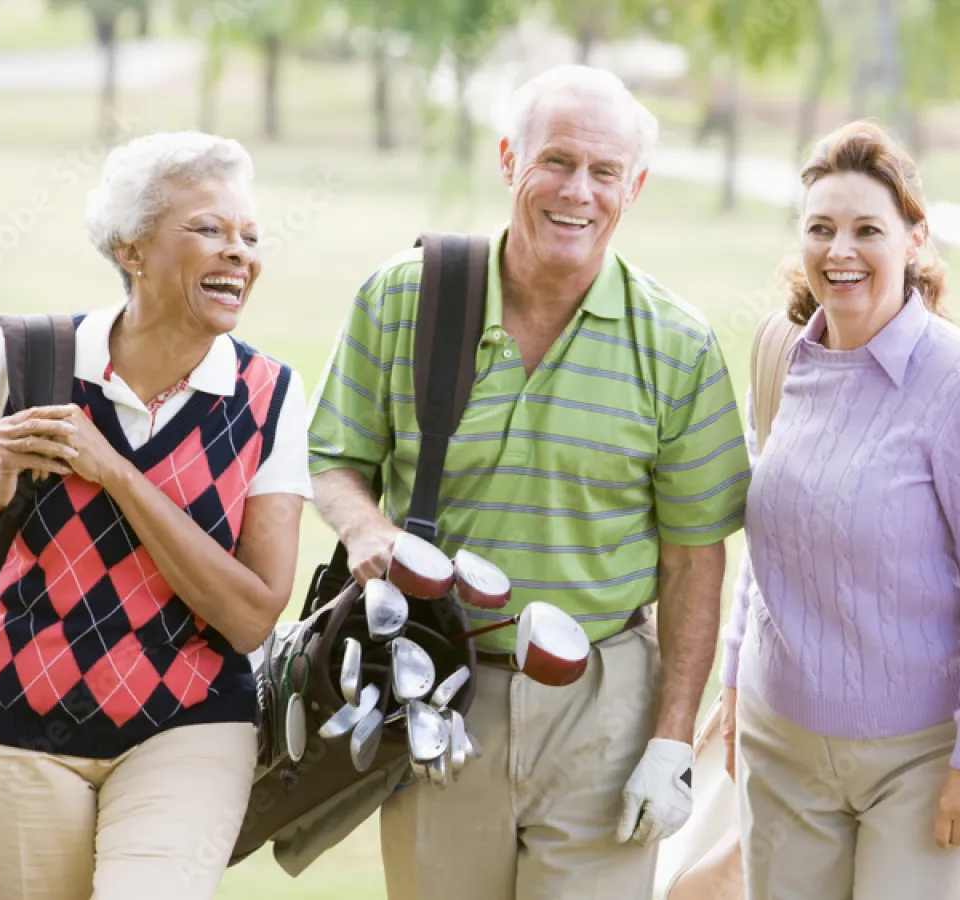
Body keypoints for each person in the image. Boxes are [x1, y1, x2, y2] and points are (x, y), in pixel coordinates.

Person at [305, 64, 750, 900]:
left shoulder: (678, 346)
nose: (577, 190)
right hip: (437, 687)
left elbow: (696, 562)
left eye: (604, 171)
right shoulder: (404, 298)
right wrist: (367, 531)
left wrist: (672, 741)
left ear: (635, 187)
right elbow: (333, 458)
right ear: (510, 160)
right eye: (556, 160)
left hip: (605, 704)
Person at [0, 131, 311, 900]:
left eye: (249, 236)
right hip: (6, 729)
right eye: (209, 229)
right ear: (133, 249)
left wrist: (115, 473)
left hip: (187, 725)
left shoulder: (270, 398)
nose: (239, 253)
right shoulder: (29, 360)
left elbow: (253, 615)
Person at [716, 120, 960, 900]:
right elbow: (767, 544)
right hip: (780, 743)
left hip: (921, 761)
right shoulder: (779, 354)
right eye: (821, 229)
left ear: (916, 240)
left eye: (868, 229)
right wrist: (731, 686)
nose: (840, 251)